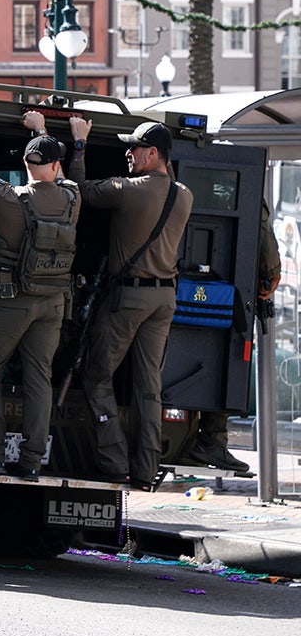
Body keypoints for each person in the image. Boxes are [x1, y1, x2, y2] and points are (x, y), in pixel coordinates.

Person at [57, 116, 195, 491]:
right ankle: (147, 469)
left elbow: (79, 190)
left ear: (153, 154)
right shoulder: (184, 194)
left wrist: (80, 144)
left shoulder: (128, 189)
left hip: (129, 297)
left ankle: (115, 460)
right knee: (149, 386)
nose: (128, 153)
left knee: (97, 375)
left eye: (134, 148)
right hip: (164, 298)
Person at [0, 105, 80, 481]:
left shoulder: (9, 198)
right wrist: (40, 129)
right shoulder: (72, 198)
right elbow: (58, 174)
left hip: (11, 301)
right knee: (39, 378)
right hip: (53, 303)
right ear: (56, 165)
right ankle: (31, 462)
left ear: (25, 163)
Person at [190, 201, 281, 473]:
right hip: (230, 292)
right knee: (229, 360)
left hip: (181, 287)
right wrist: (272, 274)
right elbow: (263, 236)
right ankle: (211, 440)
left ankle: (186, 438)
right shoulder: (240, 194)